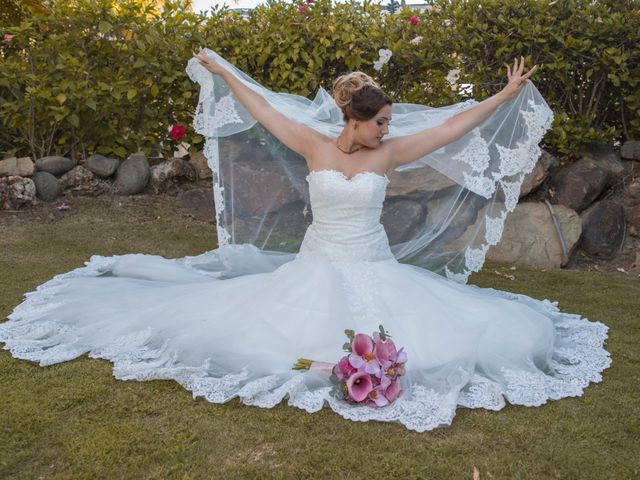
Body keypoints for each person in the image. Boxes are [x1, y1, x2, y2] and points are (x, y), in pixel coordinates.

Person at [0, 48, 610, 433]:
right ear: (354, 121)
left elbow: (452, 125)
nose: (388, 131)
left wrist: (503, 96)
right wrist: (223, 72)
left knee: (446, 338)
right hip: (315, 264)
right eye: (380, 123)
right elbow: (263, 109)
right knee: (270, 339)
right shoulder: (314, 146)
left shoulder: (392, 152)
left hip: (373, 263)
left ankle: (368, 365)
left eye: (389, 124)